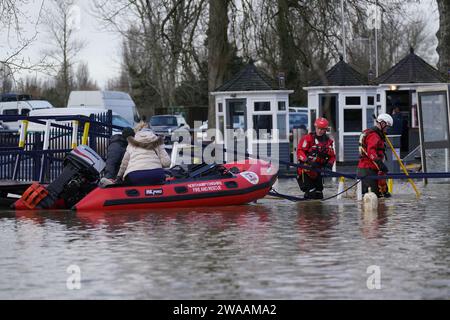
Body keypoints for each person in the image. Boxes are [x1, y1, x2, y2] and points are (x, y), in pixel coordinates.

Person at [296, 118, 336, 199]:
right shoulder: (308, 138)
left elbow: (332, 156)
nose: (320, 131)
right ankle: (307, 210)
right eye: (318, 128)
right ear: (315, 127)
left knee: (319, 194)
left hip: (318, 171)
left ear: (325, 130)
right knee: (311, 193)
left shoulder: (328, 142)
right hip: (306, 170)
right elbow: (300, 151)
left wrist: (329, 164)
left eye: (322, 129)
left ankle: (317, 211)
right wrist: (307, 161)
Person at [357, 113, 393, 198]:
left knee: (382, 195)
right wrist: (380, 163)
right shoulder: (374, 135)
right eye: (387, 127)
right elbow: (371, 151)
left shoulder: (376, 134)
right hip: (368, 169)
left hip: (371, 168)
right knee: (372, 197)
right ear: (382, 124)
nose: (387, 129)